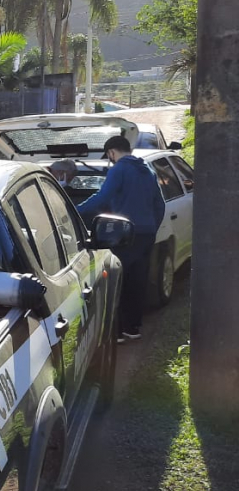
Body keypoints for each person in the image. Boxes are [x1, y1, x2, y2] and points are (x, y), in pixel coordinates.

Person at [77, 135, 165, 343]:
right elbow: (159, 205)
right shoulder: (147, 170)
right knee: (137, 281)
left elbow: (102, 197)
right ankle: (133, 328)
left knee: (117, 280)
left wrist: (75, 211)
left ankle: (115, 333)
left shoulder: (119, 170)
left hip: (124, 235)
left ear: (111, 153)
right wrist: (151, 228)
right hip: (146, 234)